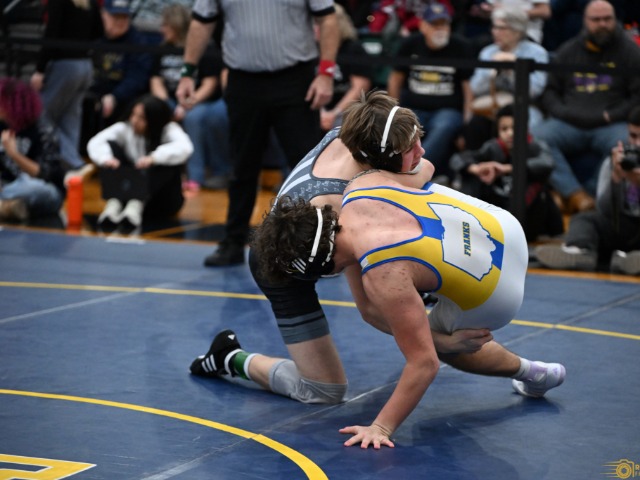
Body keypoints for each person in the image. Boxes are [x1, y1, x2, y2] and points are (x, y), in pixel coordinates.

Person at [189, 91, 566, 449]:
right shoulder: (350, 199)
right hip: (280, 261)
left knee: (408, 294)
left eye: (417, 140)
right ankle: (230, 358)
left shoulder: (358, 135)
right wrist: (440, 344)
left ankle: (508, 358)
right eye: (411, 148)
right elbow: (371, 311)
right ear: (378, 158)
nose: (421, 152)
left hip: (307, 229)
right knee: (325, 389)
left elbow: (424, 167)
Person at [176, 0, 340, 267]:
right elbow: (201, 21)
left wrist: (326, 73)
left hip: (294, 78)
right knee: (242, 167)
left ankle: (321, 246)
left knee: (308, 168)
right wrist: (187, 71)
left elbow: (328, 18)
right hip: (244, 80)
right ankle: (232, 242)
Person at [531, 0, 640, 215]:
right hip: (569, 122)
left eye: (607, 19)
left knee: (626, 145)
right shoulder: (568, 50)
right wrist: (563, 112)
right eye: (596, 20)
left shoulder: (630, 52)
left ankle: (593, 195)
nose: (602, 24)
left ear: (616, 20)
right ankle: (575, 194)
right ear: (585, 21)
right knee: (535, 137)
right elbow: (550, 92)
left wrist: (614, 114)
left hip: (610, 123)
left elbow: (637, 96)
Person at [534, 105, 640, 275]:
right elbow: (604, 211)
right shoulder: (615, 162)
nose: (637, 143)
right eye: (633, 136)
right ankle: (580, 252)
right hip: (625, 227)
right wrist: (616, 179)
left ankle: (630, 259)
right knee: (585, 219)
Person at [387, 2, 474, 183]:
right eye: (435, 24)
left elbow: (468, 89)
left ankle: (413, 174)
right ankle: (403, 171)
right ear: (423, 26)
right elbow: (395, 79)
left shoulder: (461, 47)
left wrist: (467, 127)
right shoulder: (410, 44)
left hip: (448, 110)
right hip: (413, 108)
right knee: (406, 128)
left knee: (444, 126)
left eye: (444, 24)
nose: (440, 29)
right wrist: (394, 112)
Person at [451, 103, 563, 241]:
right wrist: (477, 169)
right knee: (470, 177)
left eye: (515, 128)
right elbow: (458, 159)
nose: (510, 133)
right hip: (499, 210)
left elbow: (548, 163)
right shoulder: (493, 147)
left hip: (529, 216)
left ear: (525, 128)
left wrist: (508, 169)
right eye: (504, 129)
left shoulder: (534, 146)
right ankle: (467, 226)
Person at [149, 4, 229, 193]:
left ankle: (195, 176)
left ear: (176, 26)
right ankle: (158, 171)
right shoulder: (163, 48)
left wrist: (187, 104)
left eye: (165, 25)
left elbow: (210, 83)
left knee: (193, 117)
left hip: (200, 101)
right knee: (155, 111)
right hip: (171, 99)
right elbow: (155, 80)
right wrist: (166, 105)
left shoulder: (202, 48)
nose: (161, 29)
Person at [86, 94, 193, 232]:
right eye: (133, 115)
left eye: (141, 118)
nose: (134, 121)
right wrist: (106, 159)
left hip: (160, 201)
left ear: (154, 120)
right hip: (128, 193)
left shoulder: (168, 129)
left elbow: (186, 147)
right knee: (110, 147)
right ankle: (114, 203)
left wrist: (154, 158)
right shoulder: (125, 127)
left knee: (169, 162)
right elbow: (96, 142)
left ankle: (136, 204)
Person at [30, 0, 104, 171]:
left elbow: (51, 33)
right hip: (85, 65)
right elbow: (99, 31)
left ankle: (74, 162)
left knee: (41, 114)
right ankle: (70, 169)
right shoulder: (90, 2)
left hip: (64, 65)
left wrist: (40, 69)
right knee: (70, 118)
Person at [463, 4, 548, 151]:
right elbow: (476, 88)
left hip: (524, 107)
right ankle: (476, 164)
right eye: (494, 27)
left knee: (528, 126)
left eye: (501, 28)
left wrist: (512, 70)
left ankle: (520, 165)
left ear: (517, 31)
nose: (495, 32)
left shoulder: (536, 53)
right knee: (475, 125)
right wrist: (492, 69)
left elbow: (533, 92)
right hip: (492, 106)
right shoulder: (488, 52)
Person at [0, 78, 66, 222]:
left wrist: (14, 154)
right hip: (8, 186)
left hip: (42, 187)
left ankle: (6, 205)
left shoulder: (43, 130)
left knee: (33, 188)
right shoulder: (2, 126)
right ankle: (8, 207)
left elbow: (43, 174)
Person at [88, 0, 154, 128]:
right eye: (116, 17)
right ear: (103, 15)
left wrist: (115, 96)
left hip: (122, 99)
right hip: (93, 94)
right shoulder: (93, 36)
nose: (121, 22)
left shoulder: (137, 41)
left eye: (124, 17)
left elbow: (137, 77)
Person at [319, 4, 373, 132]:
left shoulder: (353, 48)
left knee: (345, 122)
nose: (315, 28)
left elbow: (360, 88)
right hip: (318, 109)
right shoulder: (310, 50)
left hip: (347, 109)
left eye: (319, 24)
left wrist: (334, 113)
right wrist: (321, 113)